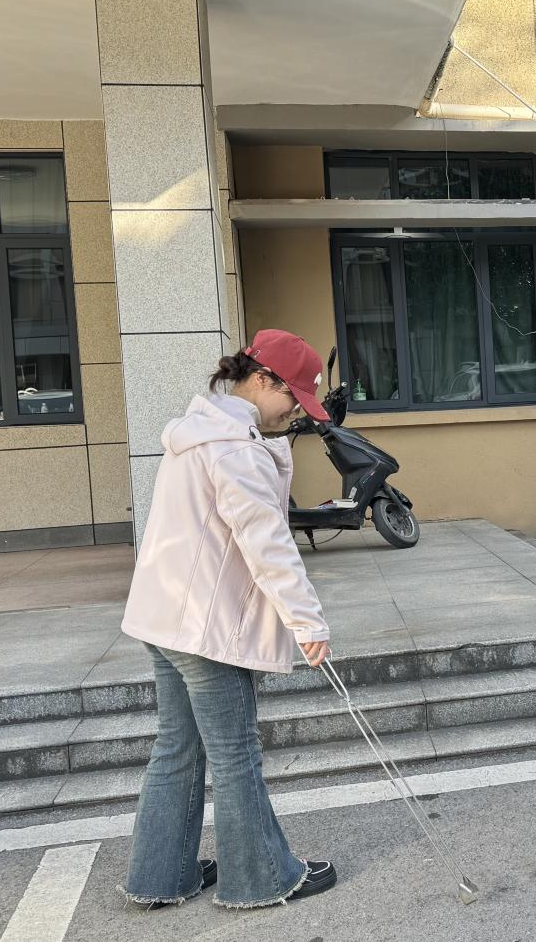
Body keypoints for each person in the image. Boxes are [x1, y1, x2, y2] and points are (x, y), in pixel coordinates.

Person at [120, 329, 339, 910]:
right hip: (206, 628)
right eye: (292, 397)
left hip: (164, 619)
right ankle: (262, 878)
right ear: (262, 379)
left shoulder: (197, 434)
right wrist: (308, 622)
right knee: (235, 753)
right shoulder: (236, 449)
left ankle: (160, 876)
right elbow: (267, 543)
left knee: (177, 747)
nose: (295, 412)